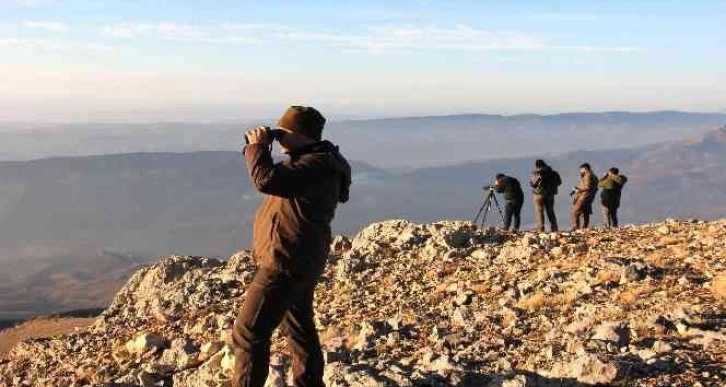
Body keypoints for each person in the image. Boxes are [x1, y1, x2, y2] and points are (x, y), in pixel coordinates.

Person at [232, 106, 352, 387]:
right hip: (301, 258)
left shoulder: (316, 165)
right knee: (299, 327)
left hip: (285, 261)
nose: (280, 139)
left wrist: (257, 148)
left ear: (301, 135)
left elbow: (265, 180)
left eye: (284, 133)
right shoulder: (317, 161)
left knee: (248, 333)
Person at [529, 159, 561, 232]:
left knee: (539, 212)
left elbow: (533, 184)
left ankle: (541, 229)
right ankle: (554, 228)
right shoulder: (553, 173)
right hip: (550, 195)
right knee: (550, 211)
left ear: (537, 166)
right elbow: (559, 182)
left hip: (538, 194)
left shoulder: (536, 173)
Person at [570, 163, 598, 230]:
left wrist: (577, 190)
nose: (580, 171)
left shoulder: (587, 176)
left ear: (585, 169)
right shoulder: (594, 176)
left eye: (581, 170)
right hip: (589, 197)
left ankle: (576, 228)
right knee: (585, 213)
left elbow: (587, 187)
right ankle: (584, 228)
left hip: (584, 197)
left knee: (575, 212)